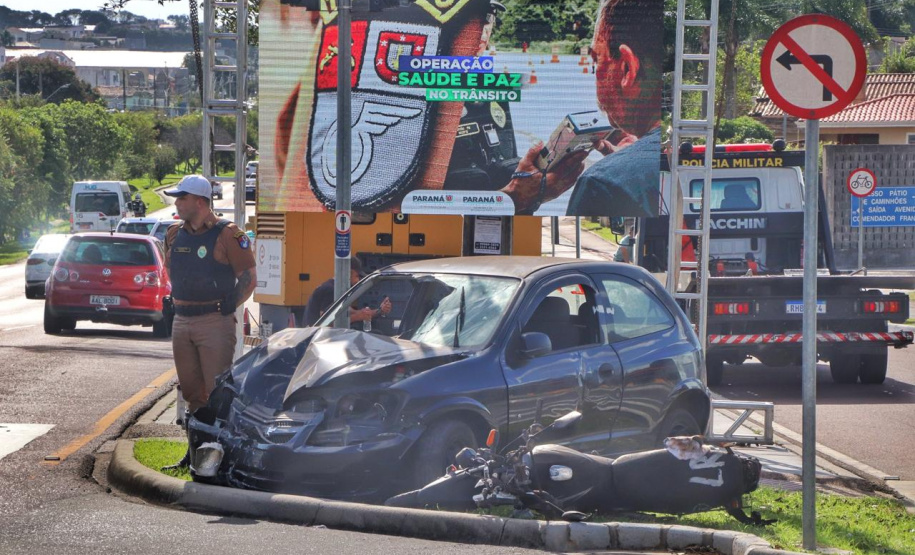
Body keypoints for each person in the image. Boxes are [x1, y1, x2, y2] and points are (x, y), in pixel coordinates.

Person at [161, 175, 256, 468]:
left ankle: (220, 458)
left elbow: (249, 277)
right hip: (182, 321)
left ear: (200, 202)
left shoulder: (228, 234)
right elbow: (170, 270)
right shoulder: (174, 234)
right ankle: (194, 455)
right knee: (191, 392)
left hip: (214, 321)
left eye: (182, 197)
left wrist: (230, 305)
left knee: (217, 393)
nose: (176, 202)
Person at [565, 0, 663, 217]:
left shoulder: (603, 184)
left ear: (627, 69)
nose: (595, 74)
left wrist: (522, 197)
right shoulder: (703, 153)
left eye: (596, 60)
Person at [303, 257, 391, 327]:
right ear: (348, 273)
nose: (357, 281)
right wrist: (358, 317)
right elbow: (325, 322)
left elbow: (351, 312)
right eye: (357, 276)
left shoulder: (337, 289)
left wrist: (380, 311)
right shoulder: (331, 290)